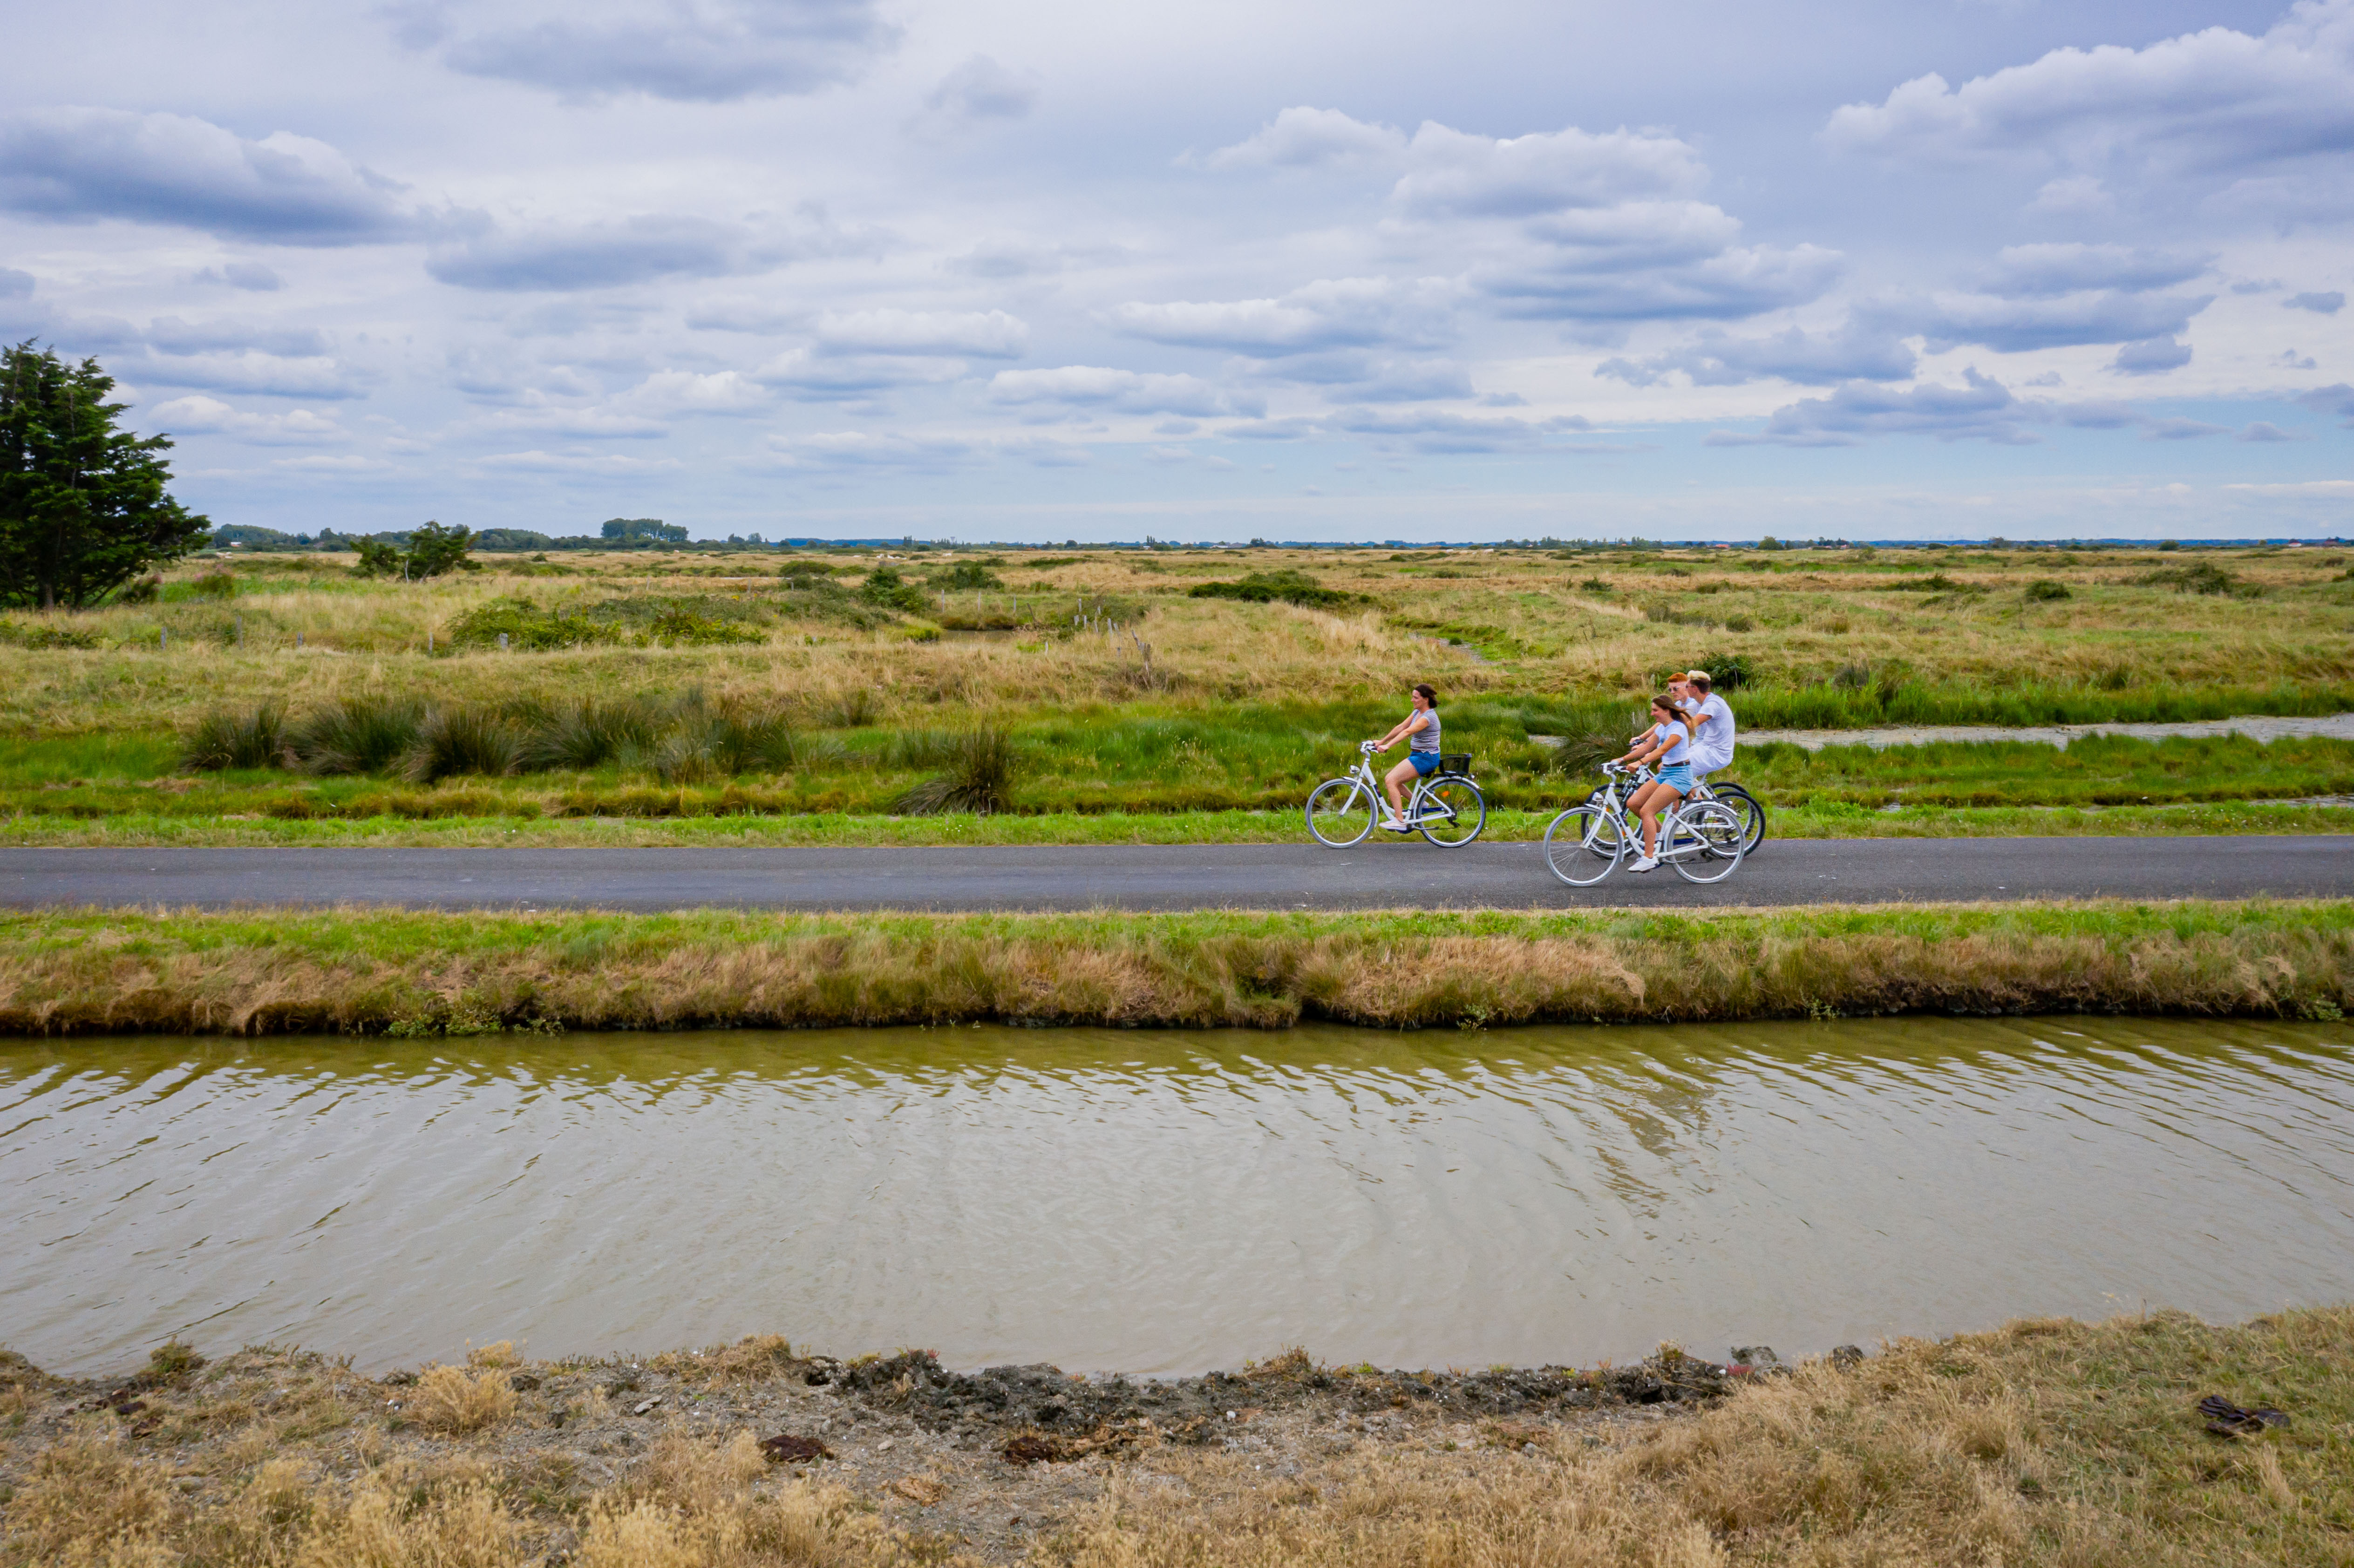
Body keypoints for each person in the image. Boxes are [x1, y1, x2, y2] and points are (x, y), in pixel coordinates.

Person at [1612, 693, 1694, 872]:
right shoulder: (1662, 729)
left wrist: (1640, 763)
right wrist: (1621, 760)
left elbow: (1662, 750)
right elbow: (1646, 748)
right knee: (1633, 803)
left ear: (1666, 710)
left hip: (1680, 776)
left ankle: (1649, 858)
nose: (1652, 714)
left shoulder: (1678, 728)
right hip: (1666, 774)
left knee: (1647, 811)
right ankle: (1660, 838)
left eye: (1655, 710)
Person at [1368, 683, 1442, 832]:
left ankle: (1400, 821)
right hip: (1418, 755)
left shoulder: (1428, 718)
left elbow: (1408, 732)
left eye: (1415, 698)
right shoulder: (1417, 713)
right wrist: (1382, 741)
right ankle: (1419, 804)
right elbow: (1401, 727)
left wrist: (1388, 746)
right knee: (1394, 779)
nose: (1412, 700)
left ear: (1425, 699)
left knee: (1391, 780)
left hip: (1426, 758)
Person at [1677, 669, 1736, 792]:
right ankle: (1695, 805)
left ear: (1695, 689)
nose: (1685, 688)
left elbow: (1693, 723)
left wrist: (1672, 733)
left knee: (1678, 770)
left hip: (1717, 753)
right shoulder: (1699, 703)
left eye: (1686, 686)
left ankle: (1700, 808)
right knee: (1671, 766)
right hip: (1706, 747)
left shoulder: (1713, 704)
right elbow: (1676, 716)